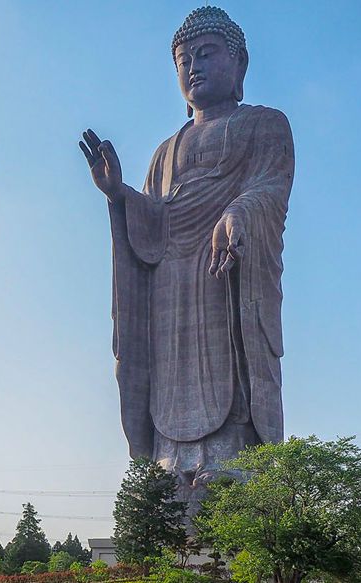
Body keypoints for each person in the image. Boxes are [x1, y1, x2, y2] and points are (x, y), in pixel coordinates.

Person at [79, 6, 294, 494]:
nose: (194, 67)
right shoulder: (163, 152)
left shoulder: (264, 124)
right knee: (167, 371)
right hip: (170, 284)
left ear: (239, 63)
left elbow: (271, 185)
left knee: (230, 361)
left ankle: (233, 456)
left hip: (226, 273)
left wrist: (238, 213)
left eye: (206, 54)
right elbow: (154, 223)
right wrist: (119, 195)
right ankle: (167, 462)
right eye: (184, 60)